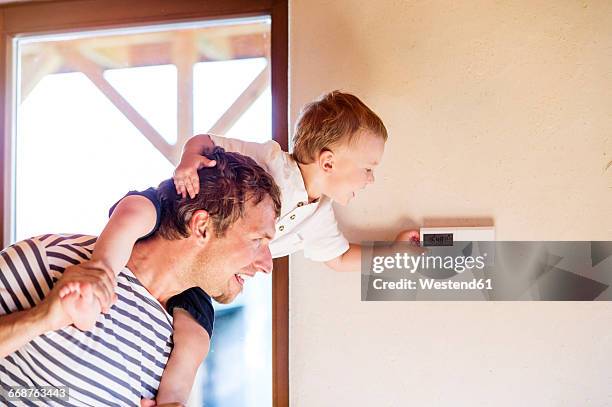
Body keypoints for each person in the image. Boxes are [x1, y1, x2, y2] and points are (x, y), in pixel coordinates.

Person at [73, 90, 420, 403]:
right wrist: (188, 163)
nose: (371, 178)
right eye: (368, 168)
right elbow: (204, 142)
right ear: (327, 162)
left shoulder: (319, 216)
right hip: (171, 218)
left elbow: (340, 257)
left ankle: (171, 400)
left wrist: (394, 254)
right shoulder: (269, 160)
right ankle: (99, 275)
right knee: (134, 212)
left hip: (203, 277)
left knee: (195, 340)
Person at [0, 148, 281, 406]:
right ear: (203, 227)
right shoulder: (50, 258)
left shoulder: (182, 339)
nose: (268, 264)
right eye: (258, 240)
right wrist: (42, 319)